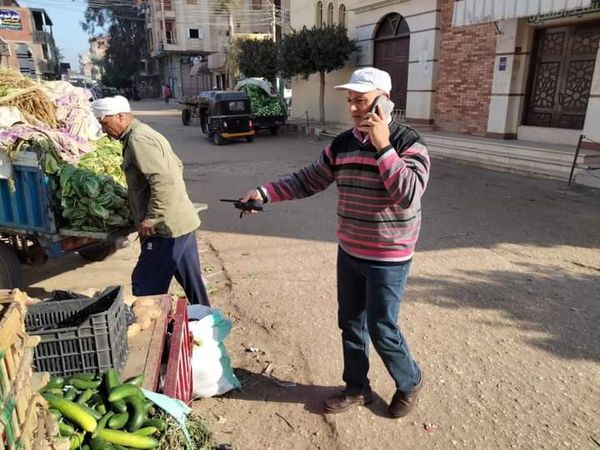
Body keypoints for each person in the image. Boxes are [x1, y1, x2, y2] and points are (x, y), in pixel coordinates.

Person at [239, 67, 430, 418]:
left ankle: (410, 380)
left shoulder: (408, 144)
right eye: (351, 101)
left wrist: (382, 145)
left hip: (389, 257)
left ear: (384, 103)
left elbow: (407, 195)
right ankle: (357, 388)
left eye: (362, 101)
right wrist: (264, 193)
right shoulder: (340, 146)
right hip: (351, 250)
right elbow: (307, 180)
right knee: (351, 323)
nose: (355, 109)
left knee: (382, 329)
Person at [90, 95, 210, 306]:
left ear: (120, 117)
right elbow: (177, 166)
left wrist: (152, 218)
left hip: (166, 228)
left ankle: (155, 334)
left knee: (145, 286)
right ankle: (207, 323)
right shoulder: (141, 133)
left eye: (104, 123)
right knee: (193, 284)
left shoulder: (138, 140)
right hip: (181, 222)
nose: (103, 130)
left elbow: (164, 179)